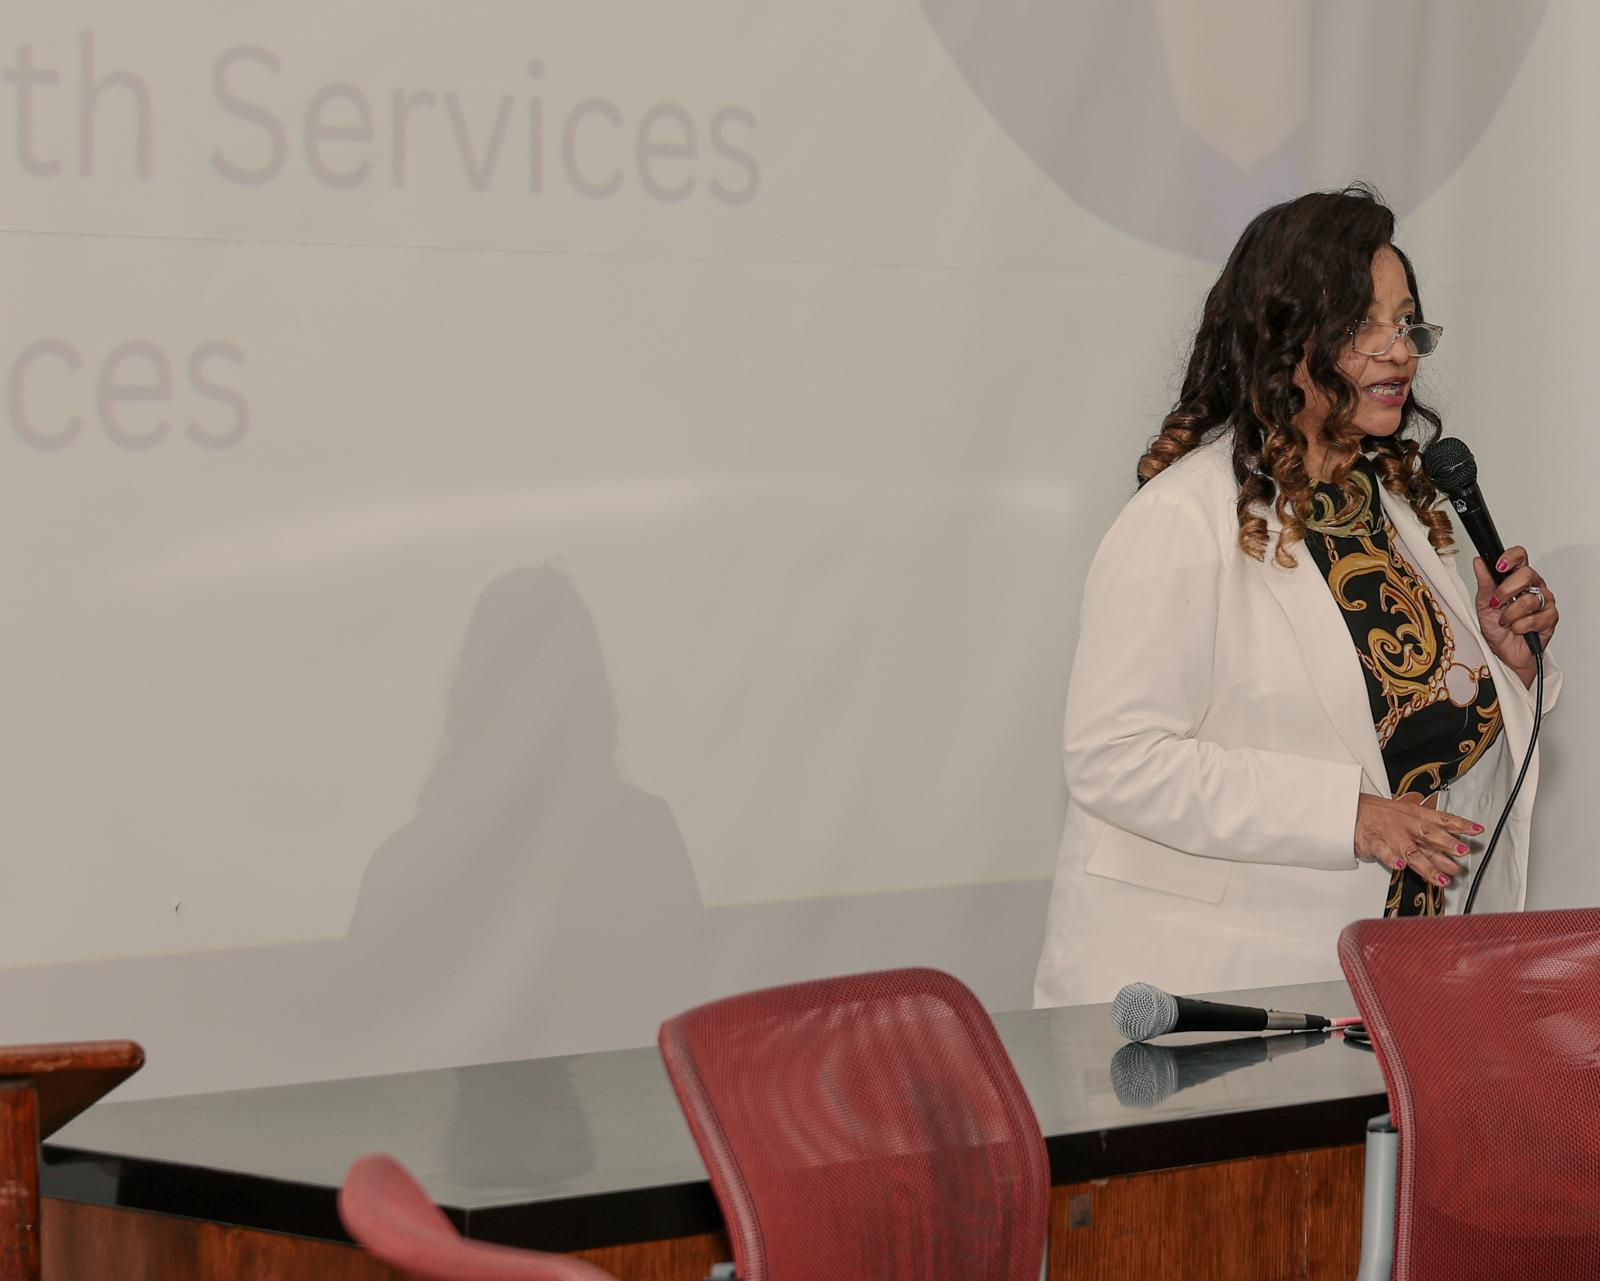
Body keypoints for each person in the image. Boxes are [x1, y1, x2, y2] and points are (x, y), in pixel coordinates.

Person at [1033, 186, 1561, 1009]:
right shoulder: (1184, 514)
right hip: (1207, 999)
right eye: (1363, 326)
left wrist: (1505, 667)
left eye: (1407, 322)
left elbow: (1431, 765)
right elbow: (1113, 756)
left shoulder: (1396, 509)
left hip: (1392, 984)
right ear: (1286, 340)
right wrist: (1345, 815)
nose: (1400, 352)